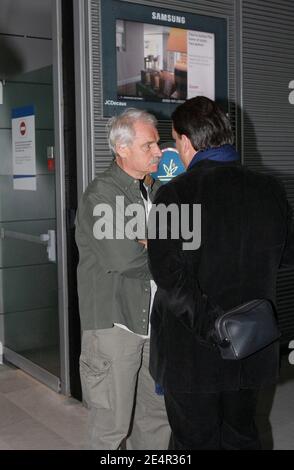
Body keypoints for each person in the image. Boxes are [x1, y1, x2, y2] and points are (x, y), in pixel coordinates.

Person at [147, 96, 294, 450]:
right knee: (243, 436)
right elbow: (287, 256)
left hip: (193, 352)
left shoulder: (174, 195)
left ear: (186, 141)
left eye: (175, 141)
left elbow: (168, 277)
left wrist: (215, 329)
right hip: (252, 346)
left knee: (192, 441)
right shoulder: (270, 190)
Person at [75, 108, 170, 450]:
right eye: (150, 145)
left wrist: (150, 244)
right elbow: (125, 258)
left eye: (158, 143)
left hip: (152, 321)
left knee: (156, 417)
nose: (159, 151)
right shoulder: (102, 194)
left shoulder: (154, 189)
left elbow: (181, 245)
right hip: (114, 324)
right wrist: (161, 248)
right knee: (111, 426)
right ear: (123, 149)